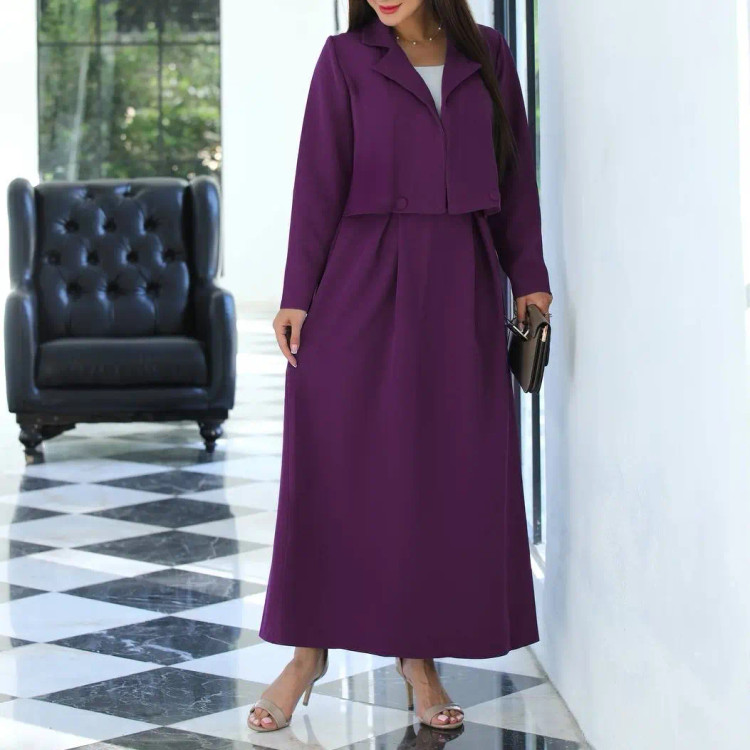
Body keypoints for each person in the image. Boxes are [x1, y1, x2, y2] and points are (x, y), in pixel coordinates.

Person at [248, 0, 553, 733]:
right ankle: (306, 654)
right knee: (333, 466)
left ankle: (420, 660)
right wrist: (297, 294)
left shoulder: (489, 54)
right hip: (357, 280)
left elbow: (516, 175)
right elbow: (316, 182)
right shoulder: (344, 58)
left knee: (438, 473)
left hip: (459, 283)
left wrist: (530, 276)